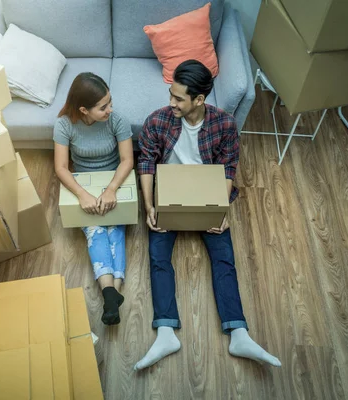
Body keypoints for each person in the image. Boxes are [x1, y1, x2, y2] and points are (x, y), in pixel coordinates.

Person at [134, 60, 281, 370]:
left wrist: (220, 208)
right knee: (158, 255)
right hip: (169, 193)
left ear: (199, 100)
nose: (171, 102)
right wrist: (149, 206)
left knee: (223, 255)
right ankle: (165, 332)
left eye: (178, 98)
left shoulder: (224, 125)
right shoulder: (157, 121)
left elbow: (228, 167)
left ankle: (238, 332)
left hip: (206, 193)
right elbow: (146, 162)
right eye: (171, 95)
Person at [54, 72, 134, 325]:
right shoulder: (64, 125)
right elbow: (61, 168)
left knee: (115, 228)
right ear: (84, 110)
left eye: (110, 102)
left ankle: (110, 296)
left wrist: (111, 189)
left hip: (114, 178)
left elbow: (127, 160)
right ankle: (113, 295)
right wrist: (82, 194)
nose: (110, 109)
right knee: (95, 230)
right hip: (84, 183)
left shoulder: (117, 120)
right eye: (103, 107)